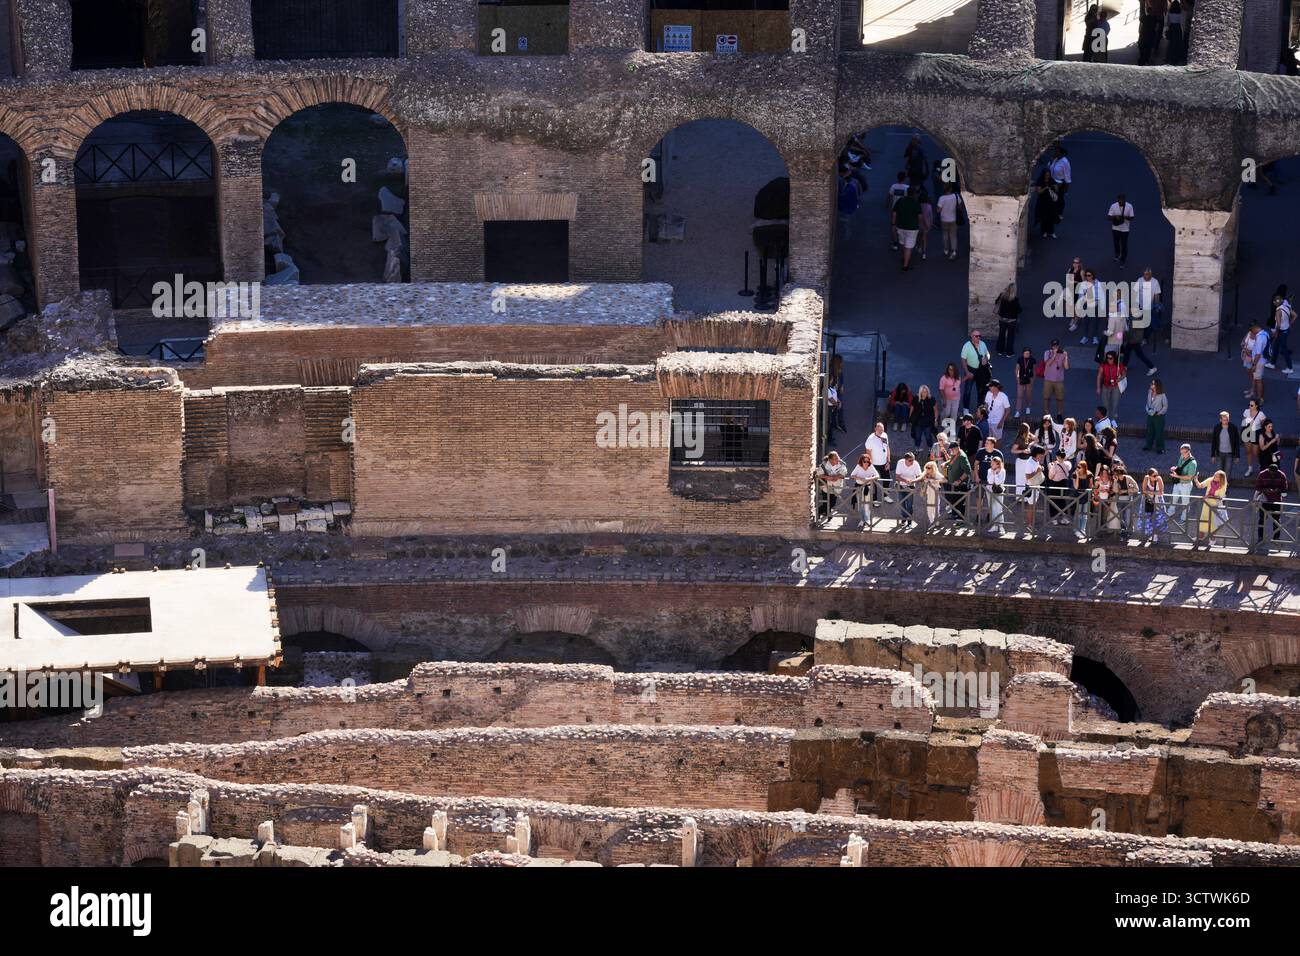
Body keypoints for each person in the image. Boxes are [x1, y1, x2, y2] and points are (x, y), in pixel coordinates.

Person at [1194, 470, 1230, 547]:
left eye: (1217, 476)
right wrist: (1196, 480)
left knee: (1213, 522)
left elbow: (1220, 497)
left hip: (1215, 505)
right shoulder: (1210, 480)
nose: (1214, 477)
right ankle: (1200, 536)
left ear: (1221, 479)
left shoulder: (1223, 485)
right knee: (1203, 519)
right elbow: (1200, 486)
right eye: (1214, 475)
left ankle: (1213, 540)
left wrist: (1208, 496)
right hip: (1206, 504)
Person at [1256, 459, 1288, 544]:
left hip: (1277, 500)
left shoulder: (1281, 475)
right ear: (1268, 470)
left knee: (1277, 520)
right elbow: (1258, 487)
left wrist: (1278, 490)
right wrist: (1266, 490)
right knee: (1262, 519)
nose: (1273, 475)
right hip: (1265, 500)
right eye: (1271, 473)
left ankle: (1276, 538)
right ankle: (1260, 538)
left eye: (1275, 473)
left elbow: (1285, 488)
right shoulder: (1262, 474)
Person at [959, 330, 991, 414]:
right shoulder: (967, 346)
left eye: (979, 336)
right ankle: (966, 409)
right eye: (976, 336)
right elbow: (963, 360)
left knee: (981, 390)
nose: (978, 337)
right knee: (967, 390)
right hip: (971, 370)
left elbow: (987, 353)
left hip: (981, 370)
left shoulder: (983, 344)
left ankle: (979, 409)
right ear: (972, 336)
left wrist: (986, 358)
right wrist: (967, 372)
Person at [892, 186, 923, 272]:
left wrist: (893, 224)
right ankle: (905, 265)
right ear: (914, 194)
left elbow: (894, 213)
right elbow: (920, 217)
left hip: (900, 226)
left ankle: (904, 256)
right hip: (912, 228)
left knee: (902, 243)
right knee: (909, 247)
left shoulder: (900, 201)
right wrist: (921, 226)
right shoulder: (916, 203)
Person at [1133, 267, 1163, 351]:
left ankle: (1144, 338)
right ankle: (1138, 338)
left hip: (1149, 307)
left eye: (1147, 274)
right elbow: (1135, 291)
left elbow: (1157, 295)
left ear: (1150, 274)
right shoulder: (1140, 280)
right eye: (1144, 274)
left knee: (1148, 324)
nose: (1145, 276)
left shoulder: (1155, 282)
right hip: (1140, 305)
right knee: (1139, 323)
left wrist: (1156, 305)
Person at [1266, 288, 1294, 375]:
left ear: (1275, 303)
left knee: (1284, 349)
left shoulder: (1278, 311)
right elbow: (1295, 315)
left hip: (1281, 332)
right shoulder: (1286, 306)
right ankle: (1272, 363)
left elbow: (1278, 325)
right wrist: (1289, 323)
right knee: (1276, 346)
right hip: (1286, 329)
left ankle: (1290, 367)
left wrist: (1276, 333)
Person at [1168, 444, 1198, 524]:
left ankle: (1184, 518)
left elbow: (1190, 477)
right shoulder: (1182, 457)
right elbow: (1179, 466)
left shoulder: (1192, 463)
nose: (1181, 455)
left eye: (1183, 453)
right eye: (1181, 453)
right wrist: (1175, 468)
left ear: (1188, 452)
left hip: (1186, 485)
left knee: (1185, 502)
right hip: (1178, 483)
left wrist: (1177, 476)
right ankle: (1170, 514)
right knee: (1173, 499)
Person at [865, 422, 893, 504]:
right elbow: (868, 453)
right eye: (879, 429)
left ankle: (886, 496)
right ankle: (874, 499)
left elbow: (887, 448)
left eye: (882, 429)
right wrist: (870, 465)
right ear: (875, 429)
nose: (881, 431)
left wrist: (888, 461)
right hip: (874, 464)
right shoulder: (870, 439)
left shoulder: (885, 435)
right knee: (874, 482)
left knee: (887, 480)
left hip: (884, 463)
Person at [944, 443, 973, 522]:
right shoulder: (955, 454)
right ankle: (954, 516)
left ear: (957, 448)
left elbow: (967, 471)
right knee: (953, 501)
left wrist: (959, 480)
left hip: (961, 484)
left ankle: (961, 520)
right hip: (953, 484)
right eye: (950, 450)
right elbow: (951, 460)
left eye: (952, 450)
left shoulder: (962, 457)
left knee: (960, 503)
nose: (951, 451)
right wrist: (945, 463)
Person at [1095, 350, 1127, 421]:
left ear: (1114, 358)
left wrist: (1119, 379)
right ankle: (1108, 419)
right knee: (1106, 405)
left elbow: (1124, 374)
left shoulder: (1118, 365)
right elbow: (1099, 376)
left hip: (1115, 387)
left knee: (1114, 404)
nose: (1108, 360)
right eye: (1107, 358)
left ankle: (1112, 417)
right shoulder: (1103, 365)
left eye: (1110, 358)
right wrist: (1098, 388)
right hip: (1105, 387)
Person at [850, 452, 880, 525]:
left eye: (868, 461)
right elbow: (852, 475)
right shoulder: (858, 466)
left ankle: (867, 519)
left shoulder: (871, 466)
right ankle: (861, 519)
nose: (866, 463)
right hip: (859, 487)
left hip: (868, 487)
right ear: (861, 461)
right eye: (864, 461)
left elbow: (877, 476)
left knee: (867, 504)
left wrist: (868, 479)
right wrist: (860, 478)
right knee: (860, 504)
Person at [1041, 340, 1069, 418]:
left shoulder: (1063, 354)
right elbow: (1047, 363)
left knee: (1060, 398)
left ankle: (1059, 413)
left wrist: (1066, 357)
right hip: (1048, 380)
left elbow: (1066, 367)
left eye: (1056, 345)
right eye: (1053, 345)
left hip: (1059, 380)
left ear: (1059, 345)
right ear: (1051, 346)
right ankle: (1047, 414)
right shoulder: (1047, 353)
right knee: (1046, 397)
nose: (1055, 347)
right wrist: (1054, 354)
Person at [1243, 319, 1269, 402]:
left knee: (1258, 380)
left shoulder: (1260, 338)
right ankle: (1259, 396)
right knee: (1258, 379)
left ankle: (1260, 398)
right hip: (1261, 360)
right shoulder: (1265, 333)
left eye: (1251, 330)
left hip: (1259, 362)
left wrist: (1254, 365)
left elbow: (1258, 354)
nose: (1251, 332)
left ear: (1255, 328)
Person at [816, 451, 848, 518]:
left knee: (832, 503)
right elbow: (819, 474)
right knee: (826, 503)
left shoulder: (841, 464)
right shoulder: (824, 465)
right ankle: (827, 515)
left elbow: (844, 472)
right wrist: (827, 477)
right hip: (825, 486)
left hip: (836, 487)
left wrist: (836, 477)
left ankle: (820, 512)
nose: (838, 459)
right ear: (830, 460)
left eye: (837, 457)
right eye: (835, 458)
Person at [895, 450, 923, 526]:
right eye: (910, 460)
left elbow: (920, 476)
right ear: (905, 460)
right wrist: (905, 480)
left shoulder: (915, 464)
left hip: (911, 486)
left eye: (913, 460)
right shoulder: (900, 463)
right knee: (902, 504)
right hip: (900, 485)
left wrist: (913, 481)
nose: (912, 462)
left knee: (910, 504)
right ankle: (904, 520)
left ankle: (909, 521)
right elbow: (897, 477)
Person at [1045, 448, 1073, 524]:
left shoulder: (1054, 466)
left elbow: (1050, 477)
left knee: (1053, 501)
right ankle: (1065, 518)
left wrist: (1050, 467)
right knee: (1062, 501)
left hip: (1055, 485)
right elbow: (1068, 468)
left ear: (1057, 456)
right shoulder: (1068, 464)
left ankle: (1054, 519)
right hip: (1064, 484)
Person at [1138, 467, 1167, 541]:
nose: (1156, 477)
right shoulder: (1146, 478)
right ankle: (1149, 535)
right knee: (1147, 518)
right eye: (1154, 476)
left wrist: (1149, 492)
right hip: (1147, 501)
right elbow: (1143, 490)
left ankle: (1155, 536)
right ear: (1149, 476)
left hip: (1158, 501)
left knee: (1157, 519)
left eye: (1157, 475)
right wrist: (1153, 492)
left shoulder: (1159, 479)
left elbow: (1161, 492)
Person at [1210, 410, 1240, 479]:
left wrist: (1237, 455)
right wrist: (1213, 455)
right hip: (1219, 453)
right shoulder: (1217, 428)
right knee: (1219, 472)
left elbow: (1236, 442)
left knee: (1227, 471)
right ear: (1220, 420)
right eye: (1224, 420)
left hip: (1229, 454)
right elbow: (1214, 442)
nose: (1226, 421)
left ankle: (1225, 486)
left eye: (1227, 420)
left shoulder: (1233, 428)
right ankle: (1220, 486)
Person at [994, 283, 1023, 357]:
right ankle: (1009, 352)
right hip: (1011, 320)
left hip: (1002, 319)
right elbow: (1019, 310)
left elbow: (996, 302)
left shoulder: (1002, 295)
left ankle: (1000, 350)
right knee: (1010, 336)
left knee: (1001, 334)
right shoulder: (1015, 299)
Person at [1078, 269, 1104, 346]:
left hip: (1095, 305)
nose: (1087, 277)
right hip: (1086, 304)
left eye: (1089, 275)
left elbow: (1101, 295)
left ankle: (1095, 337)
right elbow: (1080, 295)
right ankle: (1085, 336)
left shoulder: (1098, 284)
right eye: (1086, 275)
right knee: (1085, 321)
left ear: (1092, 276)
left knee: (1094, 322)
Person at [1107, 193, 1134, 264]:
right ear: (1118, 199)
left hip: (1125, 229)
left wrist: (1124, 217)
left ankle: (1123, 259)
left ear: (1125, 199)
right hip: (1115, 229)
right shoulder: (1113, 206)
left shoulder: (1129, 206)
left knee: (1124, 245)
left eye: (1122, 200)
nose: (1121, 201)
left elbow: (1132, 218)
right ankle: (1117, 254)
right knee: (1116, 243)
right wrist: (1115, 216)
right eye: (1120, 200)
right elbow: (1109, 217)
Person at [936, 182, 961, 260]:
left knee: (945, 235)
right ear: (951, 189)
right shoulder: (956, 196)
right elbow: (960, 206)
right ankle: (953, 251)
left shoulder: (942, 198)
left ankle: (946, 249)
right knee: (953, 236)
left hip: (944, 219)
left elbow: (938, 210)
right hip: (953, 219)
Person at [1240, 398, 1265, 476]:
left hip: (1256, 432)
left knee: (1256, 452)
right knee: (1248, 451)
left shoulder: (1261, 414)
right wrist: (1247, 421)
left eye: (1251, 405)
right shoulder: (1246, 412)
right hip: (1247, 432)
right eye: (1249, 405)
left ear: (1256, 406)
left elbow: (1263, 426)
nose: (1249, 406)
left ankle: (1261, 466)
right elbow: (1243, 423)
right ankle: (1250, 468)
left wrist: (1262, 436)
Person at [1143, 379, 1168, 454]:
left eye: (1153, 383)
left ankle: (1160, 447)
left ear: (1157, 385)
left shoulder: (1162, 395)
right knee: (1149, 430)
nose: (1151, 384)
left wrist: (1160, 413)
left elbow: (1165, 406)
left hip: (1158, 416)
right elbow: (1148, 403)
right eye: (1151, 383)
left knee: (1159, 432)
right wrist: (1147, 410)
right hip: (1150, 414)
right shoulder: (1149, 392)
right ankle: (1148, 445)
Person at [836, 166, 861, 240]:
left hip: (847, 209)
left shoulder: (849, 186)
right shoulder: (853, 185)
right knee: (847, 225)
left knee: (846, 225)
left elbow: (842, 197)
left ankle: (846, 237)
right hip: (850, 207)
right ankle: (846, 237)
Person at [1035, 169, 1060, 239]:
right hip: (1043, 202)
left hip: (1051, 202)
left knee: (1051, 217)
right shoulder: (1040, 181)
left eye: (1048, 175)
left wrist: (1055, 187)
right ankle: (1044, 231)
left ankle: (1051, 232)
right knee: (1044, 217)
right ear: (1043, 175)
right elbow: (1038, 192)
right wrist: (1045, 188)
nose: (1047, 176)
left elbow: (1057, 189)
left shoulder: (1051, 180)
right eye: (1046, 175)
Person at [911, 384, 939, 450]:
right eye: (923, 391)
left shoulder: (931, 399)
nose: (924, 393)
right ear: (920, 392)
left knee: (928, 436)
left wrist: (935, 419)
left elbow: (936, 410)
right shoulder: (916, 398)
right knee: (917, 436)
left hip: (928, 422)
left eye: (926, 391)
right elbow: (912, 408)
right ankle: (917, 448)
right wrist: (911, 418)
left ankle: (930, 449)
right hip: (918, 421)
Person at [887, 172, 910, 250]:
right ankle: (903, 241)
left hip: (894, 208)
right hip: (903, 209)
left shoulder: (893, 186)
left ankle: (895, 242)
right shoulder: (907, 187)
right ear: (904, 178)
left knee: (893, 225)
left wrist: (889, 205)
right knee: (902, 224)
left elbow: (890, 196)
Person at [1050, 144, 1072, 222]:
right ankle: (1052, 212)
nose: (1055, 152)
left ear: (1062, 154)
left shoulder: (1065, 162)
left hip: (1059, 183)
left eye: (1057, 152)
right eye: (1055, 151)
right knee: (1052, 198)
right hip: (1052, 181)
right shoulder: (1055, 159)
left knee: (1059, 199)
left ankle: (1059, 213)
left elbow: (1067, 176)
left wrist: (1066, 188)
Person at [1072, 459, 1094, 537]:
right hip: (1078, 496)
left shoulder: (1089, 475)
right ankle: (1077, 529)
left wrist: (1091, 495)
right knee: (1077, 513)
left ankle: (1082, 529)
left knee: (1084, 514)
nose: (1077, 468)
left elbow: (1091, 486)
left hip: (1086, 496)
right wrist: (1077, 477)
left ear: (1084, 468)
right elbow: (1076, 487)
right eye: (1077, 467)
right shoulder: (1074, 474)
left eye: (1079, 467)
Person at [986, 455, 1008, 532]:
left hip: (999, 491)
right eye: (991, 463)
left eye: (993, 464)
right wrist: (993, 473)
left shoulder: (1002, 471)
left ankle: (1001, 526)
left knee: (999, 508)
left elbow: (999, 482)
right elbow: (990, 481)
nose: (991, 465)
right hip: (989, 491)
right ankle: (994, 525)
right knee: (992, 508)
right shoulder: (989, 470)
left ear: (998, 464)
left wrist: (995, 474)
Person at [938, 362, 962, 431]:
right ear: (947, 370)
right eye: (949, 369)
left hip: (956, 398)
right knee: (947, 412)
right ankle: (942, 421)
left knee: (954, 413)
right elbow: (941, 389)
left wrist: (966, 377)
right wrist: (944, 399)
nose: (951, 371)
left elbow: (957, 386)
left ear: (955, 370)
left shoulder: (958, 377)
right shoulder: (944, 378)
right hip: (946, 398)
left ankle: (952, 427)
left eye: (952, 370)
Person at [920, 460, 944, 525]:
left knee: (936, 507)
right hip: (928, 493)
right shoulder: (925, 473)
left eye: (929, 468)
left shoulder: (936, 474)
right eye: (926, 467)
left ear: (933, 468)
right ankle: (932, 522)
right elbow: (920, 478)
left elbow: (945, 480)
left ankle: (936, 521)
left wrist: (935, 481)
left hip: (935, 492)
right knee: (929, 508)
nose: (927, 469)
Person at [1015, 346, 1036, 419]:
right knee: (1019, 395)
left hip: (1029, 380)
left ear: (1030, 354)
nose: (1027, 355)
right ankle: (1018, 411)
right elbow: (1017, 370)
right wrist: (1017, 379)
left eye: (1028, 353)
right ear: (1022, 353)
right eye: (1025, 353)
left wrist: (1033, 379)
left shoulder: (1032, 360)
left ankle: (1028, 407)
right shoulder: (1019, 359)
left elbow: (1034, 370)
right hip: (1021, 379)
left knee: (1028, 395)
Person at [1166, 1, 1186, 65]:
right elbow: (1182, 22)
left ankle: (1170, 58)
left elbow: (1167, 22)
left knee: (1171, 44)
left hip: (1172, 28)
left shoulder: (1169, 13)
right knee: (1177, 43)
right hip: (1178, 28)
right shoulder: (1181, 13)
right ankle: (1176, 58)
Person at [916, 188, 934, 261]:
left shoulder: (918, 205)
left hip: (918, 223)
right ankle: (924, 253)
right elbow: (931, 216)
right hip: (926, 224)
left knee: (919, 236)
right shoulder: (929, 206)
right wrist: (931, 223)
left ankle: (919, 246)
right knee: (925, 238)